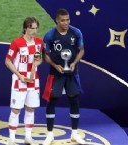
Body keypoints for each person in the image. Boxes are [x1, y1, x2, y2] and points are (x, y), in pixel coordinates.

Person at [42, 8, 86, 145]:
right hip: (56, 74)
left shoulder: (76, 32)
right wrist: (55, 66)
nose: (66, 23)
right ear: (57, 20)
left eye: (67, 20)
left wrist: (74, 63)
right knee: (52, 100)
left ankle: (74, 133)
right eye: (63, 20)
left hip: (72, 73)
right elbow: (46, 55)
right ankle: (49, 135)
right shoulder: (50, 35)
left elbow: (81, 50)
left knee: (74, 100)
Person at [5, 16, 43, 145]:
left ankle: (28, 137)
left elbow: (40, 59)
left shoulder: (39, 42)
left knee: (31, 109)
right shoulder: (16, 43)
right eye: (32, 28)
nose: (34, 31)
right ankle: (12, 139)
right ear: (26, 28)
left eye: (36, 28)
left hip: (33, 80)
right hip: (19, 80)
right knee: (16, 110)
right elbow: (8, 61)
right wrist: (19, 75)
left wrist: (38, 63)